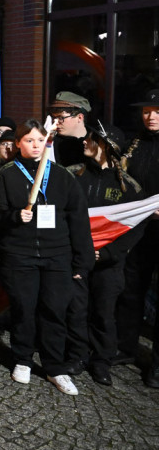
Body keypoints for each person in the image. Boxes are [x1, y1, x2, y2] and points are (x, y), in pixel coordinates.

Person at [0, 119, 93, 395]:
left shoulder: (61, 175)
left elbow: (78, 220)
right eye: (29, 140)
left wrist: (82, 260)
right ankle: (22, 359)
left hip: (57, 255)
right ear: (18, 144)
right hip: (19, 255)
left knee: (54, 310)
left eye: (40, 140)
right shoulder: (5, 174)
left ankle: (54, 367)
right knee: (24, 308)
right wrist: (14, 216)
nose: (35, 145)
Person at [65, 121, 143, 386]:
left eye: (91, 139)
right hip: (77, 259)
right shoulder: (72, 175)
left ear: (106, 146)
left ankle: (101, 361)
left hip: (109, 265)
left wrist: (107, 253)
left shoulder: (128, 187)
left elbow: (135, 228)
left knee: (103, 313)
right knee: (76, 310)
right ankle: (77, 356)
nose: (84, 142)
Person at [117, 89, 159, 387]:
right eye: (146, 111)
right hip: (138, 228)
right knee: (131, 289)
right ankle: (125, 347)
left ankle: (157, 365)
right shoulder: (136, 143)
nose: (151, 116)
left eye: (156, 111)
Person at [49, 92, 91, 167]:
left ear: (80, 117)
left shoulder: (95, 144)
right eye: (54, 117)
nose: (55, 122)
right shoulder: (50, 144)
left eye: (61, 117)